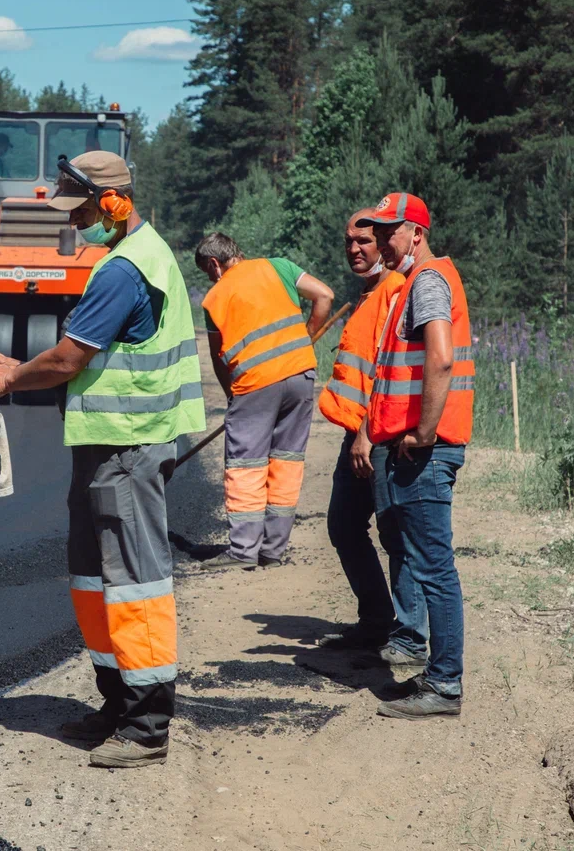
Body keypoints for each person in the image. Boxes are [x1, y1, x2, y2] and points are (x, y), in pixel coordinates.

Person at [0, 150, 205, 768]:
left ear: (114, 203)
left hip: (127, 446)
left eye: (83, 209)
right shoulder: (133, 255)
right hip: (108, 444)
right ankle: (118, 703)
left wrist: (9, 382)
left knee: (134, 583)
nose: (74, 222)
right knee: (96, 578)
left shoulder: (125, 269)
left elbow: (69, 358)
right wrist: (17, 366)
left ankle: (148, 726)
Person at [358, 192, 475, 719]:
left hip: (427, 449)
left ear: (416, 234)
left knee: (434, 568)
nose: (382, 240)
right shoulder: (414, 283)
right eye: (377, 232)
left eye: (389, 231)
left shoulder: (427, 281)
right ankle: (435, 675)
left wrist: (424, 433)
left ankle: (445, 686)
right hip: (415, 446)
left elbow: (442, 361)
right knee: (425, 561)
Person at [196, 235, 334, 569]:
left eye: (208, 272)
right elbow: (325, 295)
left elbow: (219, 358)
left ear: (214, 264)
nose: (211, 279)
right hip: (301, 375)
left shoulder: (214, 298)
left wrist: (232, 394)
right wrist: (306, 337)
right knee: (286, 461)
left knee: (246, 463)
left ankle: (243, 551)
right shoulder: (279, 266)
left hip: (256, 384)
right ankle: (273, 551)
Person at [315, 210, 409, 650]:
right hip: (358, 434)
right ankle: (376, 621)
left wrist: (366, 435)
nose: (354, 248)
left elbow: (387, 373)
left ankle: (406, 637)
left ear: (385, 244)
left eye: (364, 241)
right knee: (344, 525)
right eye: (348, 241)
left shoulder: (392, 291)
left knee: (395, 534)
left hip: (377, 436)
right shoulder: (371, 294)